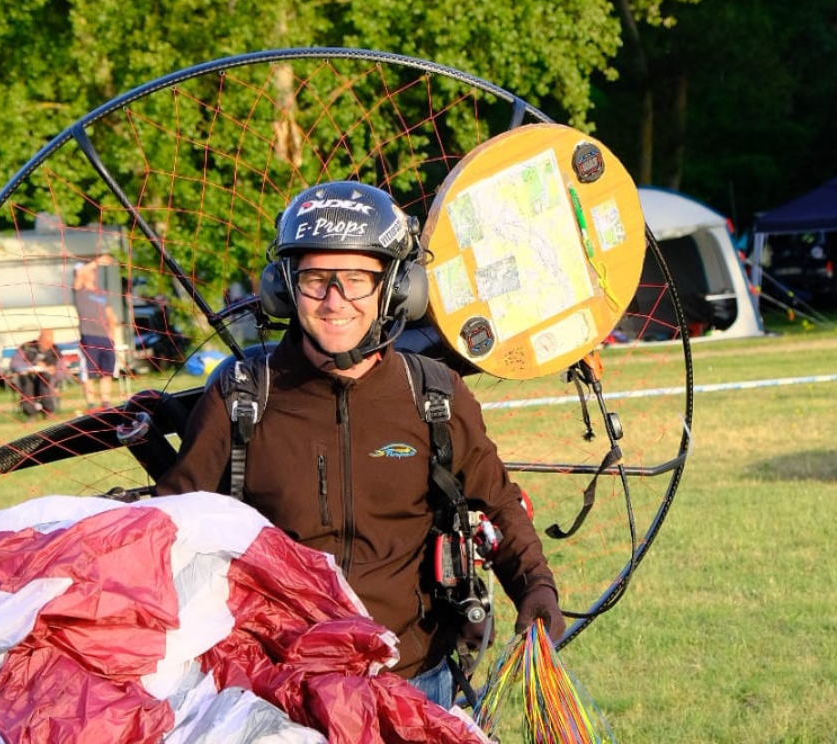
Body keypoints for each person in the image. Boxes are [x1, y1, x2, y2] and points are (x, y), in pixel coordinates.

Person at [156, 181, 565, 709]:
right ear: (283, 287)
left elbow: (498, 502)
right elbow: (170, 529)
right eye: (315, 280)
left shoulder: (435, 395)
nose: (334, 302)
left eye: (356, 280)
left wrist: (535, 587)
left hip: (413, 679)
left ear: (394, 289)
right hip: (280, 687)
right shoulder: (241, 396)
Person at [72, 255, 120, 410]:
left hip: (105, 337)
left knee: (107, 372)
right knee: (90, 373)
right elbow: (79, 274)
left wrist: (112, 334)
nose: (89, 273)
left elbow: (111, 315)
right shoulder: (79, 291)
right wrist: (97, 262)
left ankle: (106, 403)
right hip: (89, 337)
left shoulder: (101, 294)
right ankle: (91, 404)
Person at [9, 328, 61, 418]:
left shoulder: (55, 351)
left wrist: (53, 370)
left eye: (49, 342)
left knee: (45, 379)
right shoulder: (28, 347)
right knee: (27, 383)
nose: (47, 344)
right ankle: (31, 414)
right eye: (45, 341)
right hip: (27, 378)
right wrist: (30, 365)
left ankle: (48, 411)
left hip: (46, 380)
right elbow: (15, 363)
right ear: (39, 339)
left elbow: (62, 368)